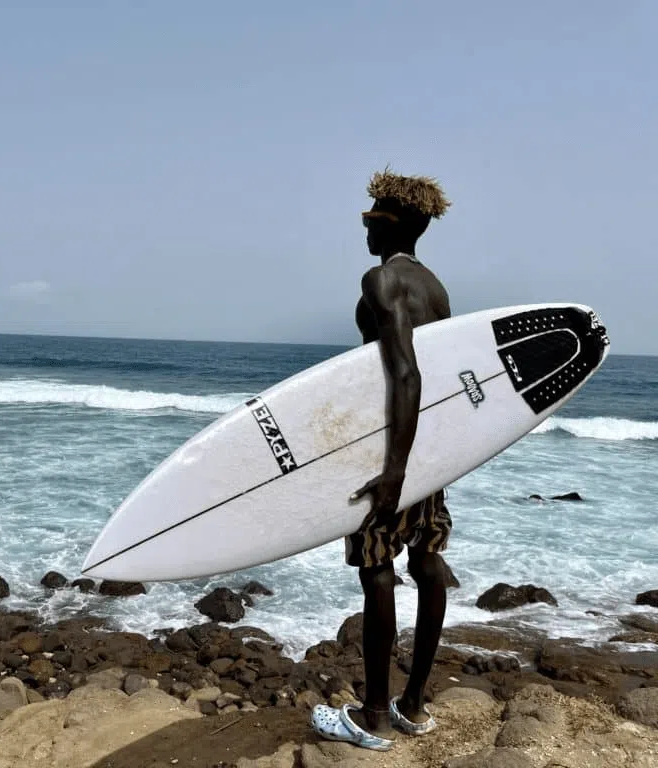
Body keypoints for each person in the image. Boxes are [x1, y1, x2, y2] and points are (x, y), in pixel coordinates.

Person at [311, 169, 454, 752]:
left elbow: (405, 372)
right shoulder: (436, 288)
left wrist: (392, 469)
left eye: (371, 216)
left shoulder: (382, 280)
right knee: (426, 563)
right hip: (433, 450)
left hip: (390, 445)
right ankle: (414, 705)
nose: (363, 226)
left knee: (377, 572)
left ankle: (372, 716)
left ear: (391, 223)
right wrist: (428, 461)